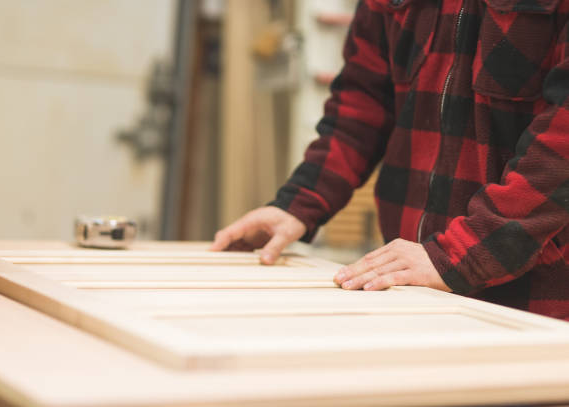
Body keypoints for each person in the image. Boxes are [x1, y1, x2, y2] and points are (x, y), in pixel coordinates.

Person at [212, 0, 569, 320]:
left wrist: (460, 252)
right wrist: (298, 203)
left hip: (534, 301)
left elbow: (562, 140)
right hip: (411, 286)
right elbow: (363, 98)